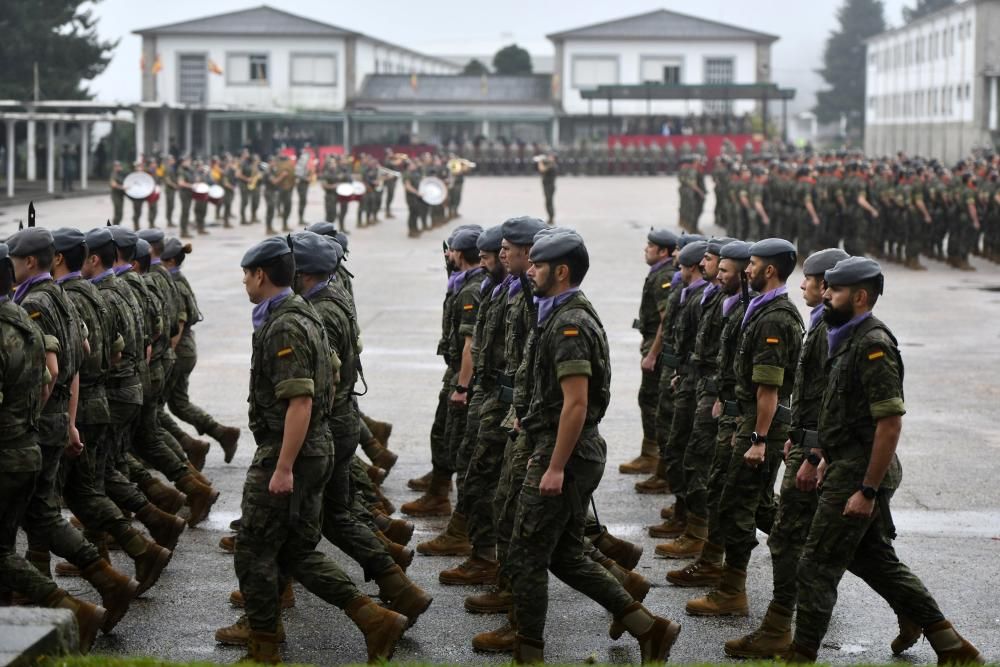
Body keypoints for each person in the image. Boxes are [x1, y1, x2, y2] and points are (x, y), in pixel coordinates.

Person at [783, 257, 983, 664]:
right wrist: (824, 457)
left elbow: (889, 423)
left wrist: (866, 489)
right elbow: (841, 412)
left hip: (861, 473)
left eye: (834, 290)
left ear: (859, 296)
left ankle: (800, 655)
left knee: (817, 564)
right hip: (846, 465)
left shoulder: (873, 344)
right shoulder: (846, 336)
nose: (825, 295)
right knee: (872, 558)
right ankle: (951, 645)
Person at [505, 229, 681, 663]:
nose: (529, 270)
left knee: (526, 555)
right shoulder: (557, 311)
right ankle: (649, 628)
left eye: (537, 264)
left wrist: (554, 466)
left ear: (560, 271)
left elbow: (576, 403)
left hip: (565, 451)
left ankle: (527, 655)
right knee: (564, 554)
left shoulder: (569, 323)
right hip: (561, 448)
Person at [232, 236, 408, 663]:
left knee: (254, 548)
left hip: (290, 451)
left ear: (260, 274)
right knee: (295, 551)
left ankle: (263, 648)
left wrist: (284, 466)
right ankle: (373, 618)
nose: (243, 283)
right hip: (314, 446)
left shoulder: (286, 323)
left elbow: (301, 400)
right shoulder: (300, 312)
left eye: (245, 275)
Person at [723, 247, 849, 658]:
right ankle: (931, 624)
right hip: (805, 441)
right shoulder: (819, 323)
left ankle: (779, 628)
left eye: (811, 280)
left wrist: (808, 451)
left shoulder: (815, 326)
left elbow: (832, 400)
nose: (804, 285)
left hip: (818, 451)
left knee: (795, 541)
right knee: (855, 550)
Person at [685, 238, 803, 617]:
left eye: (751, 264)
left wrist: (759, 439)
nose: (746, 269)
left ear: (769, 270)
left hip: (760, 426)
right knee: (747, 504)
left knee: (739, 507)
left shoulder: (775, 317)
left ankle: (733, 592)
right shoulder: (760, 307)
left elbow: (769, 388)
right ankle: (804, 561)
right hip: (750, 420)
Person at [0, 241, 108, 654]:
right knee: (19, 534)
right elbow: (61, 368)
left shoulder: (31, 307)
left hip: (13, 447)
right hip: (31, 439)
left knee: (32, 527)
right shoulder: (23, 317)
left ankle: (71, 606)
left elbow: (55, 372)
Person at [403, 227, 486, 518]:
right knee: (442, 431)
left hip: (463, 375)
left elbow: (470, 345)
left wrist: (462, 386)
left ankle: (447, 503)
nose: (447, 255)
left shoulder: (471, 289)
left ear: (460, 254)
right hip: (456, 372)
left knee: (457, 441)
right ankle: (438, 486)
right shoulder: (463, 282)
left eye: (450, 251)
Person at [621, 228, 677, 476]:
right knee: (649, 400)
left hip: (658, 351)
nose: (646, 249)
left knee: (652, 401)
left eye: (651, 246)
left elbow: (666, 320)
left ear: (663, 251)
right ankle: (650, 453)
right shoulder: (659, 273)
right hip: (654, 346)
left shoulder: (664, 277)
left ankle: (653, 456)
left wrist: (652, 354)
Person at [537, 152, 557, 225]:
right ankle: (550, 218)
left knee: (549, 202)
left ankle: (551, 218)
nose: (548, 158)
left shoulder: (551, 165)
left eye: (550, 157)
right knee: (548, 202)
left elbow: (542, 169)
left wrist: (540, 162)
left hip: (550, 187)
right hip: (547, 186)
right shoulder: (550, 165)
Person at [295, 148, 312, 226]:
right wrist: (306, 178)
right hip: (301, 185)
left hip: (304, 185)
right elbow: (298, 175)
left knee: (303, 202)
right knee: (302, 201)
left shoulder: (304, 164)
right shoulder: (300, 164)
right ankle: (300, 219)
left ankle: (301, 218)